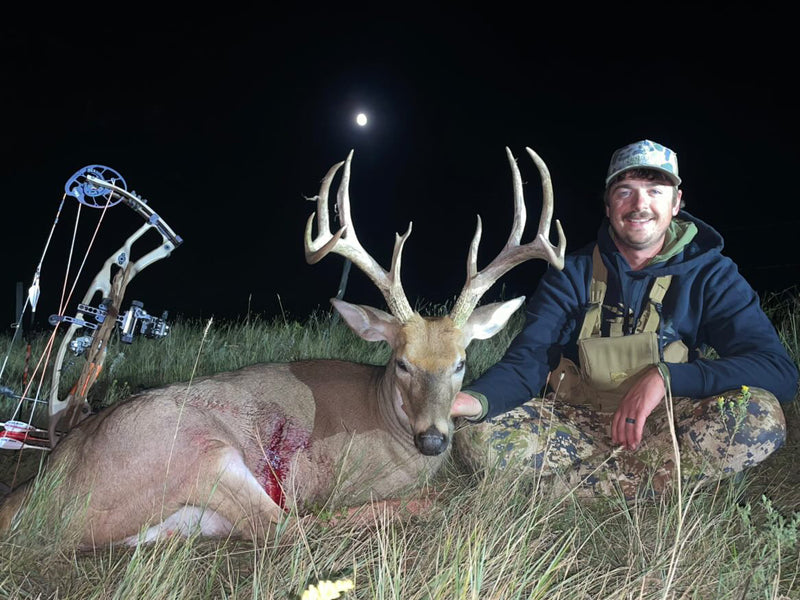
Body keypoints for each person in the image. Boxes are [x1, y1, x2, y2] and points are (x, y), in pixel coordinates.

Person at [452, 139, 798, 500]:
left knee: (758, 417)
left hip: (668, 421)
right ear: (608, 204)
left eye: (655, 191)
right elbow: (528, 361)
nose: (640, 205)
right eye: (625, 191)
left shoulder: (713, 274)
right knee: (475, 435)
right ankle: (652, 479)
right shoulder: (570, 273)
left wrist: (665, 377)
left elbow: (779, 372)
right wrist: (471, 400)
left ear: (676, 203)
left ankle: (557, 492)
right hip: (575, 420)